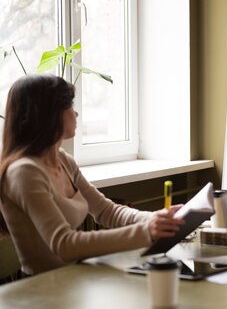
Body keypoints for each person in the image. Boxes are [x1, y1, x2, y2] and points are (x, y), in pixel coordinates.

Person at [0, 74, 184, 276]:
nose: (76, 113)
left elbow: (108, 212)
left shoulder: (63, 160)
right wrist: (147, 231)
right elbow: (64, 244)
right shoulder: (24, 172)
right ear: (48, 114)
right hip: (42, 288)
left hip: (75, 278)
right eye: (69, 105)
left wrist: (156, 219)